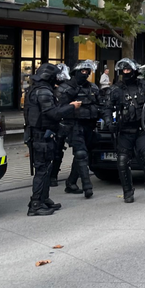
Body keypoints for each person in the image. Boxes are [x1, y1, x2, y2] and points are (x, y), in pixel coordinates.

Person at [103, 58, 145, 203]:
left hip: (142, 129)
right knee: (122, 160)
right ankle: (128, 191)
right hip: (124, 130)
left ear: (134, 71)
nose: (126, 72)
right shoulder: (115, 89)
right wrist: (109, 122)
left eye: (128, 69)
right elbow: (106, 108)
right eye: (123, 70)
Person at [24, 63, 81, 216]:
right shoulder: (43, 91)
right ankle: (36, 204)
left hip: (40, 135)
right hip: (41, 136)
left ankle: (43, 199)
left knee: (46, 168)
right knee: (42, 170)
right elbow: (53, 113)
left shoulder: (36, 89)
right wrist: (72, 107)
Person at [57, 60, 101, 199]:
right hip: (73, 125)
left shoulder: (93, 88)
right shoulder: (65, 88)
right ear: (75, 72)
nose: (86, 73)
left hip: (89, 125)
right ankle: (87, 186)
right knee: (81, 153)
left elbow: (100, 104)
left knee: (82, 154)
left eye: (88, 71)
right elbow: (58, 109)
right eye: (83, 71)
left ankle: (71, 182)